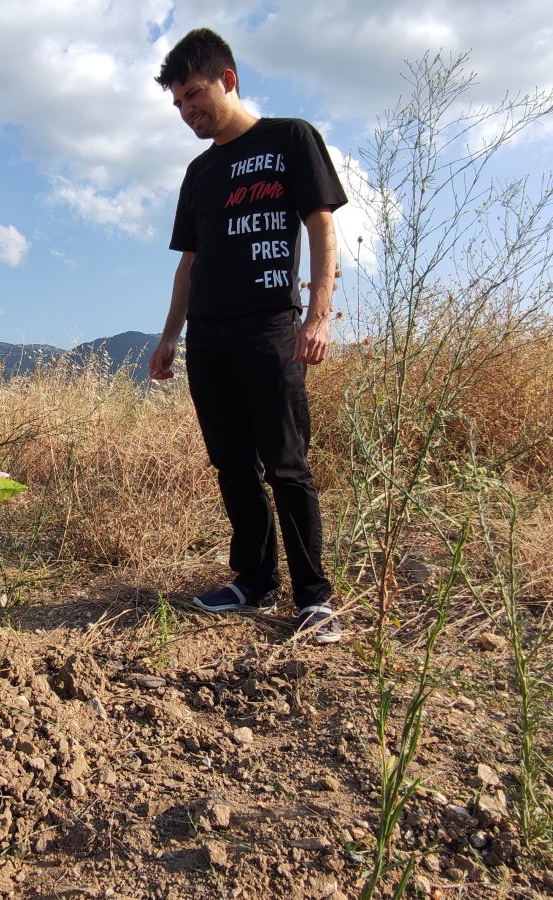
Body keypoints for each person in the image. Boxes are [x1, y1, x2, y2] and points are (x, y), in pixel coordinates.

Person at [149, 28, 345, 644]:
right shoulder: (199, 172)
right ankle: (254, 581)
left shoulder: (290, 139)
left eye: (195, 94)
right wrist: (168, 338)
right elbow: (188, 264)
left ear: (228, 79)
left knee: (286, 465)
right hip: (208, 337)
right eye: (178, 103)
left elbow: (321, 226)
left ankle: (315, 598)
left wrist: (317, 315)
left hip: (270, 328)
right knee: (231, 463)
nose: (188, 111)